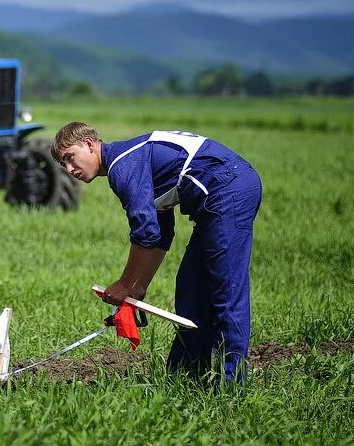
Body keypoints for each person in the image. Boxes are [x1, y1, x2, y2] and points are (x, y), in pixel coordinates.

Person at [51, 122, 262, 383]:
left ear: (89, 144)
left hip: (229, 190)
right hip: (219, 198)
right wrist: (139, 287)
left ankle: (231, 386)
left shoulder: (123, 165)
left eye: (70, 157)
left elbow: (145, 232)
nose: (70, 169)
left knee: (226, 292)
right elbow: (161, 233)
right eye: (64, 164)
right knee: (190, 289)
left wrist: (125, 284)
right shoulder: (129, 161)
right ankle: (185, 377)